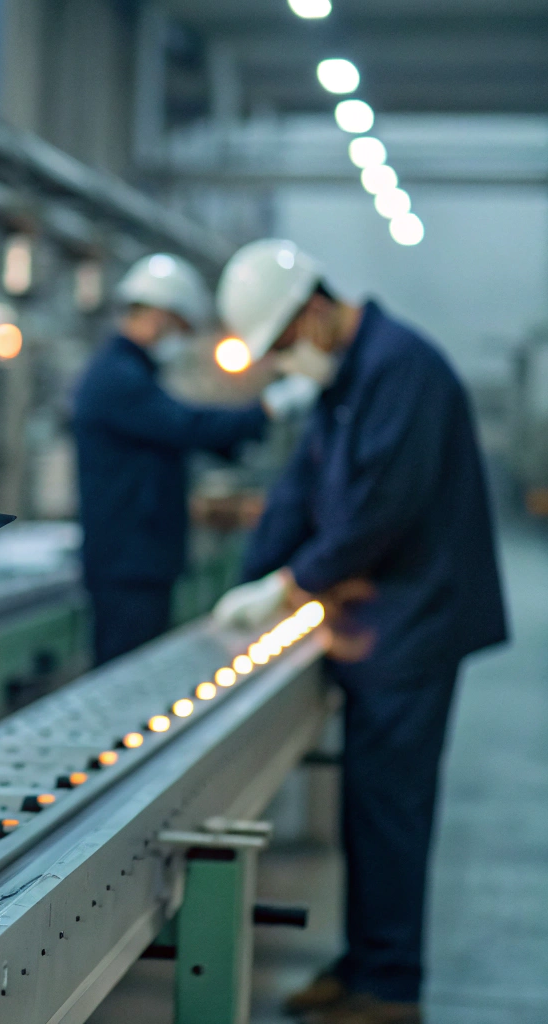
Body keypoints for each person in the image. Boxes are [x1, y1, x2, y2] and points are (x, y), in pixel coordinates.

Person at [213, 239, 507, 1024]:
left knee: (391, 807)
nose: (282, 363)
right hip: (377, 621)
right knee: (367, 805)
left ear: (312, 312)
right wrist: (254, 573)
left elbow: (379, 510)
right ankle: (366, 959)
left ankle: (391, 987)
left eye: (280, 346)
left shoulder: (398, 369)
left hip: (414, 622)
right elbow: (302, 485)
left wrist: (288, 585)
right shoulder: (349, 376)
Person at [72, 253, 315, 666]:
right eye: (180, 326)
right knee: (127, 673)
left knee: (135, 671)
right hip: (128, 561)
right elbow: (186, 426)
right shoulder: (117, 378)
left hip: (137, 557)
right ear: (157, 316)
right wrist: (267, 409)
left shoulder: (130, 373)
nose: (179, 338)